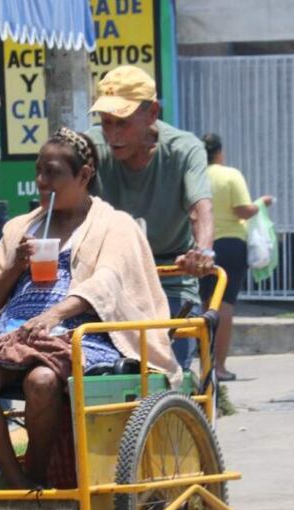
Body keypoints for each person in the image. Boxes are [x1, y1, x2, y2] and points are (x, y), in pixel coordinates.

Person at [0, 128, 179, 490]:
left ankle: (37, 473)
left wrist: (55, 315)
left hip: (81, 336)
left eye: (52, 172)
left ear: (84, 176)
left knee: (41, 381)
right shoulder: (20, 228)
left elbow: (108, 281)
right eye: (38, 171)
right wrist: (14, 268)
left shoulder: (114, 225)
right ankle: (16, 480)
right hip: (15, 333)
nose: (41, 181)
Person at [86, 65, 215, 370]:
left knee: (167, 368)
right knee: (94, 370)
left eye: (122, 123)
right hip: (110, 276)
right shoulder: (90, 147)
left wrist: (204, 251)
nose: (113, 134)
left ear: (152, 113)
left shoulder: (183, 149)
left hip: (170, 273)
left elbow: (200, 207)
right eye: (106, 123)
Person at [198, 133, 273, 382]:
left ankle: (204, 367)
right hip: (230, 245)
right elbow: (243, 209)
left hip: (201, 245)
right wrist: (260, 203)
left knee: (205, 305)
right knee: (225, 305)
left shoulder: (195, 175)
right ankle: (219, 366)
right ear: (220, 152)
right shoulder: (230, 175)